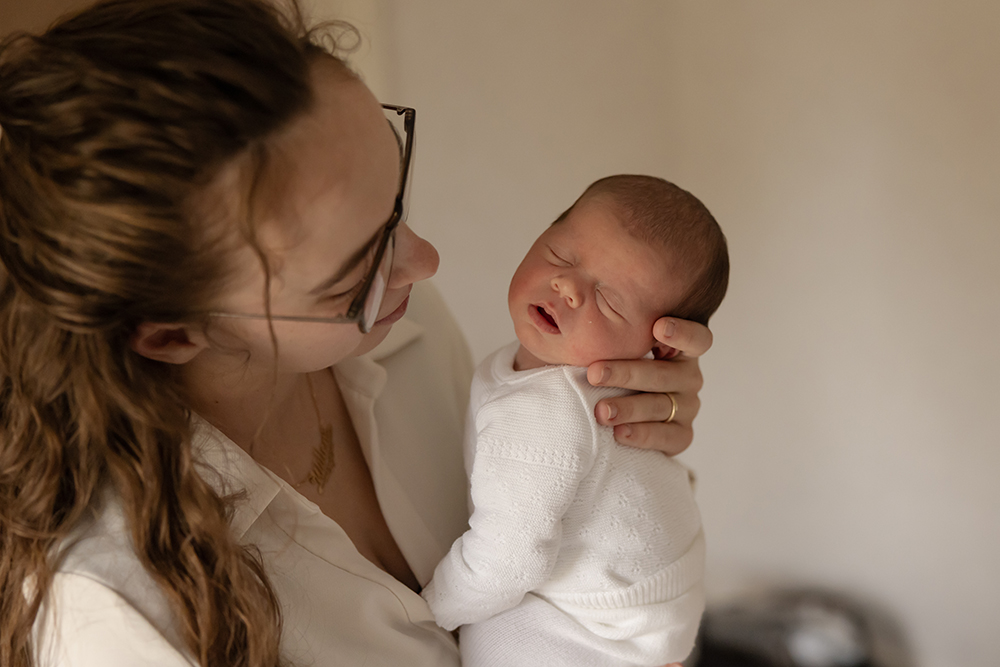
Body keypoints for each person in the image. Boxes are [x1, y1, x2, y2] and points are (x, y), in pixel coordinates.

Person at [0, 1, 714, 666]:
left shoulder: (407, 327)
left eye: (395, 202)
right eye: (353, 269)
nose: (424, 260)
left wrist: (626, 457)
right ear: (169, 334)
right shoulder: (118, 614)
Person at [421, 175, 729, 667]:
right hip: (650, 599)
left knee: (489, 634)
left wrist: (429, 609)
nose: (566, 286)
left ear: (661, 348)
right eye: (560, 255)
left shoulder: (541, 411)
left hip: (601, 625)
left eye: (609, 301)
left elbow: (505, 560)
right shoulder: (554, 374)